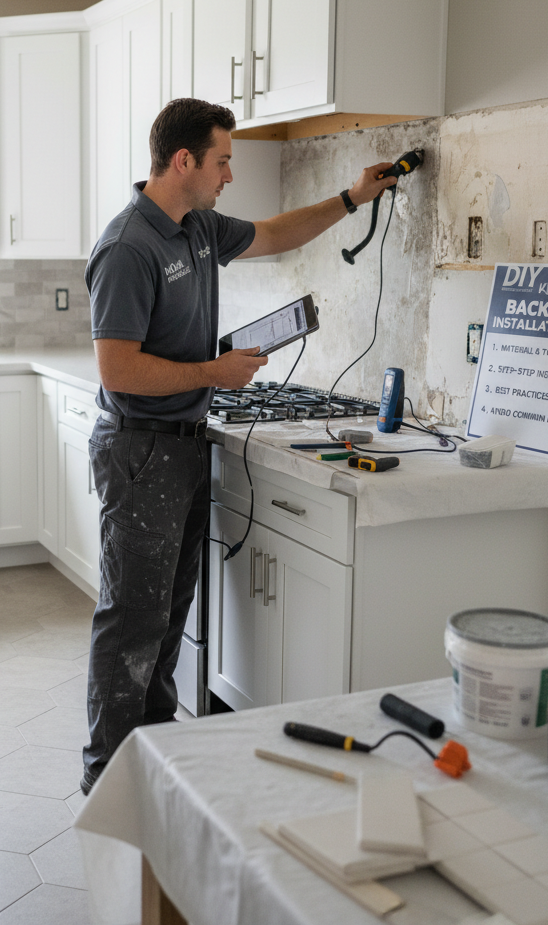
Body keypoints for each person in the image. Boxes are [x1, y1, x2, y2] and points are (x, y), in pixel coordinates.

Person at [80, 97, 396, 794]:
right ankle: (107, 774)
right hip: (140, 452)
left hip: (186, 446)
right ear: (184, 160)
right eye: (223, 161)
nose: (229, 175)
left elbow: (276, 235)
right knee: (132, 620)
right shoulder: (129, 246)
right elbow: (117, 368)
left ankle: (152, 753)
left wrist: (351, 197)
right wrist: (211, 374)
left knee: (166, 617)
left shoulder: (195, 227)